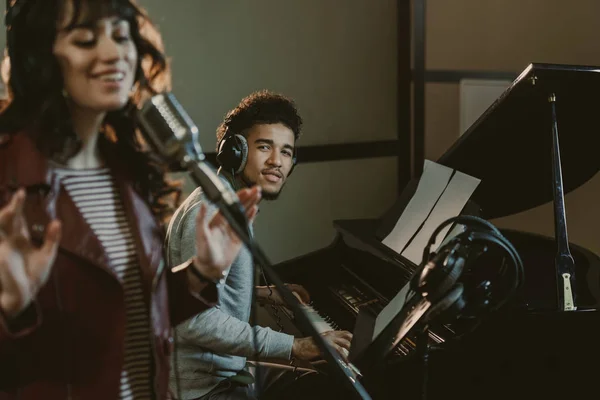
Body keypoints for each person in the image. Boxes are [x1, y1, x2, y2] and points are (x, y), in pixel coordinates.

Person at [0, 0, 261, 399]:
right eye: (86, 40)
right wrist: (9, 312)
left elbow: (130, 313)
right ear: (40, 57)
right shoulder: (8, 178)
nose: (113, 54)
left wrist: (199, 275)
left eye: (122, 37)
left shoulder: (126, 170)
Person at [166, 90, 353, 400]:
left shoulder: (228, 202)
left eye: (286, 152)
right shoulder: (212, 214)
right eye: (264, 147)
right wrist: (295, 346)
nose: (276, 162)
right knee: (330, 387)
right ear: (234, 152)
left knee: (324, 378)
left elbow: (205, 292)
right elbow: (193, 320)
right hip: (206, 388)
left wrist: (265, 294)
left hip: (223, 370)